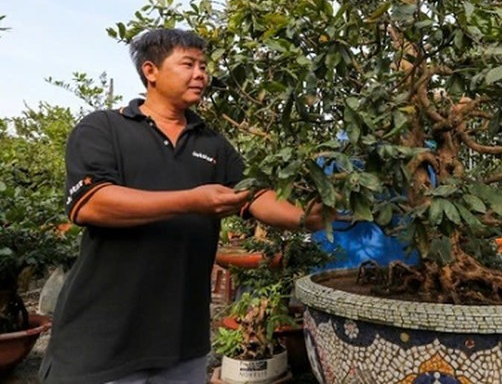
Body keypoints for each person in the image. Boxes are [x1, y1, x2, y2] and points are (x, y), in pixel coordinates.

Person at [40, 28, 323, 384]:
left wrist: (305, 217)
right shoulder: (104, 128)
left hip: (181, 344)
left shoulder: (213, 144)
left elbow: (253, 195)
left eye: (204, 66)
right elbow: (91, 203)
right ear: (150, 71)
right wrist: (193, 200)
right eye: (188, 64)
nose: (201, 73)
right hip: (100, 339)